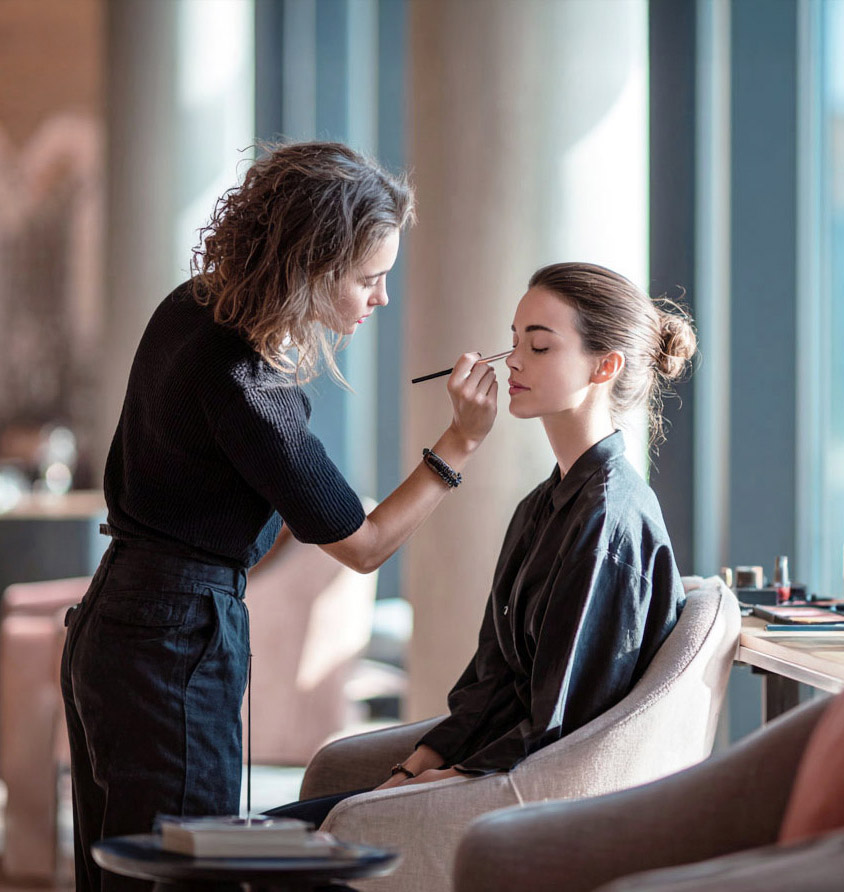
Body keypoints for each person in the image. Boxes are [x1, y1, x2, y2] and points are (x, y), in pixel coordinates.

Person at [59, 141, 498, 891]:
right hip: (173, 641)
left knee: (123, 877)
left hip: (116, 619)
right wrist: (459, 443)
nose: (381, 299)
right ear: (315, 264)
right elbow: (363, 547)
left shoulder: (192, 304)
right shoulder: (249, 382)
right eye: (371, 279)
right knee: (187, 878)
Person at [265, 260, 697, 826]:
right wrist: (422, 760)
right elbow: (494, 678)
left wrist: (454, 779)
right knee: (260, 833)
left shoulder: (609, 522)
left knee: (263, 843)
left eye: (540, 347)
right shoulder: (542, 505)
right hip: (486, 775)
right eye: (513, 341)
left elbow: (565, 728)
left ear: (605, 367)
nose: (513, 360)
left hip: (523, 802)